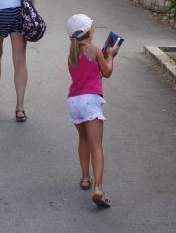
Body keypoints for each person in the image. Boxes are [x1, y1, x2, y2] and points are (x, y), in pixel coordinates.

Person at [65, 13, 119, 208]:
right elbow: (107, 72)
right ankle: (98, 189)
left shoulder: (71, 54)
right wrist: (110, 57)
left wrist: (101, 59)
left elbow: (88, 75)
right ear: (89, 31)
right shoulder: (95, 50)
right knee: (96, 145)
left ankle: (85, 177)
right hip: (90, 101)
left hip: (74, 101)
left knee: (83, 140)